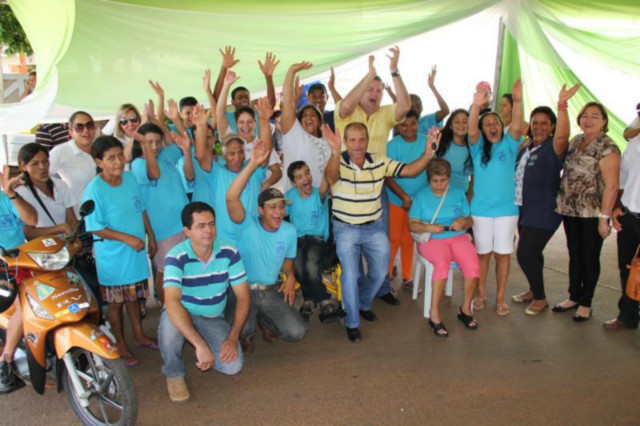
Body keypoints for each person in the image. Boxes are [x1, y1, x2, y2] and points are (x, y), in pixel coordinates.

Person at [323, 122, 440, 342]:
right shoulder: (336, 160)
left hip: (374, 227)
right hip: (345, 228)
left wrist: (427, 154)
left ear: (367, 141)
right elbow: (330, 178)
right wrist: (335, 151)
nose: (357, 145)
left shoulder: (379, 161)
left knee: (379, 273)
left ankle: (363, 303)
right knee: (350, 276)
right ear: (346, 142)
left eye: (361, 139)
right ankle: (352, 322)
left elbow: (409, 170)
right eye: (352, 140)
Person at [335, 48, 411, 305]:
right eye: (370, 89)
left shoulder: (385, 114)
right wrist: (369, 76)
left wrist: (394, 71)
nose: (375, 94)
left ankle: (382, 287)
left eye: (378, 91)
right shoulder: (346, 112)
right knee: (352, 244)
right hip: (346, 188)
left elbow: (405, 105)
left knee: (383, 239)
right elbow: (346, 104)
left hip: (377, 186)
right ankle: (356, 291)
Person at [159, 202, 250, 403]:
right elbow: (172, 301)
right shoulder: (176, 256)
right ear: (187, 231)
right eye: (201, 226)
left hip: (211, 315)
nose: (209, 230)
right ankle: (174, 373)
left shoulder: (228, 251)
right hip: (183, 310)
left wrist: (232, 337)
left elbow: (243, 296)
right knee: (169, 326)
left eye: (211, 224)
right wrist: (200, 345)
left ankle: (200, 340)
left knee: (233, 366)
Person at [82, 136, 159, 367]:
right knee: (115, 303)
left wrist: (150, 235)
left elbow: (141, 208)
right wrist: (127, 238)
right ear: (99, 161)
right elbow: (95, 226)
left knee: (134, 296)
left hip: (135, 252)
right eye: (110, 158)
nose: (117, 161)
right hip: (114, 257)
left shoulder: (129, 178)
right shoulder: (94, 189)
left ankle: (139, 335)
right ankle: (121, 345)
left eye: (119, 155)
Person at [226, 139, 306, 350]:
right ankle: (249, 328)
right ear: (260, 210)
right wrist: (252, 164)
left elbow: (288, 260)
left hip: (270, 291)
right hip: (243, 290)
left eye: (281, 207)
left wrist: (290, 276)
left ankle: (264, 320)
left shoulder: (289, 231)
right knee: (242, 329)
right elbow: (231, 197)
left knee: (297, 332)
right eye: (272, 208)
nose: (278, 212)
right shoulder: (246, 224)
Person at [511, 84, 580, 315]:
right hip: (523, 209)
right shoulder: (527, 146)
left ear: (551, 127)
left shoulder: (554, 146)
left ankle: (540, 299)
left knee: (525, 254)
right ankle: (533, 289)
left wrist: (562, 105)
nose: (538, 127)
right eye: (535, 122)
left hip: (544, 211)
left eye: (544, 123)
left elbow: (563, 134)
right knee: (535, 253)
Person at [553, 102, 621, 321]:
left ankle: (586, 302)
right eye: (585, 115)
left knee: (589, 257)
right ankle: (573, 295)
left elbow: (611, 186)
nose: (588, 120)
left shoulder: (608, 147)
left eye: (594, 116)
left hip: (593, 212)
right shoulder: (575, 142)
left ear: (603, 122)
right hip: (570, 209)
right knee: (574, 254)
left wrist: (604, 218)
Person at [467, 79, 523, 316]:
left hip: (506, 212)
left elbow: (518, 126)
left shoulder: (510, 145)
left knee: (503, 255)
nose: (492, 126)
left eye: (496, 123)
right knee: (483, 255)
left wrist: (518, 101)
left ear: (501, 127)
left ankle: (500, 298)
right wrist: (476, 107)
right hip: (480, 210)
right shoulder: (477, 147)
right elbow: (471, 129)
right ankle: (481, 295)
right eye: (487, 124)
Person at [408, 158, 479, 337]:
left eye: (443, 180)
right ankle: (434, 314)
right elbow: (412, 225)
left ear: (449, 178)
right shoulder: (421, 196)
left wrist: (462, 221)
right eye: (435, 181)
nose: (439, 185)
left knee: (473, 265)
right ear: (428, 179)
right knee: (442, 263)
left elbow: (469, 219)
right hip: (432, 239)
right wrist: (428, 228)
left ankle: (465, 309)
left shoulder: (457, 193)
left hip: (456, 236)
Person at [131, 123, 191, 305]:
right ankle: (168, 312)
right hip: (164, 230)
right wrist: (145, 146)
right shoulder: (138, 164)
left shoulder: (165, 155)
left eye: (157, 141)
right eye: (149, 142)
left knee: (186, 269)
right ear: (140, 144)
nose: (155, 146)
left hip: (184, 224)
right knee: (166, 272)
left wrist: (165, 113)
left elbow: (180, 144)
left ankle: (185, 308)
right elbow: (154, 174)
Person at [193, 101, 269, 243]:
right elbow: (201, 156)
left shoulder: (253, 168)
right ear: (223, 155)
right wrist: (201, 127)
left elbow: (265, 151)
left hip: (252, 238)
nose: (237, 158)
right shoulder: (217, 172)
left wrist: (264, 121)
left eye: (240, 152)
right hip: (225, 240)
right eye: (231, 153)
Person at [285, 161, 339, 321]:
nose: (306, 179)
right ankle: (311, 299)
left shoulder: (319, 194)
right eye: (300, 177)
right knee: (298, 266)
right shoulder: (290, 197)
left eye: (307, 173)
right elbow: (279, 215)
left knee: (311, 265)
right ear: (294, 183)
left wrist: (333, 153)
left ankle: (322, 299)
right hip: (298, 240)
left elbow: (326, 181)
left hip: (317, 240)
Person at [0, 165, 37, 394]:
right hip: (3, 268)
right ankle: (6, 361)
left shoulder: (6, 197)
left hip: (20, 262)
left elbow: (31, 220)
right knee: (28, 307)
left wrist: (11, 193)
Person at [216, 71, 282, 189]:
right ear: (236, 124)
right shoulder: (230, 140)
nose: (245, 126)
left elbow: (277, 171)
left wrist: (264, 185)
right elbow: (219, 114)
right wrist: (226, 85)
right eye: (241, 122)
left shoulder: (261, 142)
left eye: (249, 122)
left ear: (255, 123)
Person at [606, 103, 640, 330]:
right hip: (630, 216)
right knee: (627, 268)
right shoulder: (634, 143)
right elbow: (624, 178)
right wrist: (616, 207)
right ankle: (627, 316)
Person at [385, 109, 427, 290]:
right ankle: (385, 276)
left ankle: (407, 277)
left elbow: (432, 169)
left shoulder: (426, 142)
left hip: (418, 202)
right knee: (393, 238)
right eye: (404, 125)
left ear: (418, 123)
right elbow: (387, 176)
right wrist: (403, 196)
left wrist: (420, 199)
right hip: (396, 198)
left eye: (413, 124)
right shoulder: (392, 146)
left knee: (408, 239)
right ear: (398, 127)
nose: (409, 128)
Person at [280, 61, 331, 194]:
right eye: (304, 116)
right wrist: (291, 71)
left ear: (320, 122)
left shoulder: (328, 143)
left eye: (313, 115)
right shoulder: (295, 136)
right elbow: (287, 104)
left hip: (321, 201)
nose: (308, 118)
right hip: (297, 203)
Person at [49, 111, 97, 216]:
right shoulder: (61, 151)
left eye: (89, 125)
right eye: (79, 127)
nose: (86, 130)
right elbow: (39, 173)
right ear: (71, 132)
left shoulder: (101, 148)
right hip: (80, 216)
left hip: (106, 212)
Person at [436, 109, 473, 196]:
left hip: (462, 196)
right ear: (450, 126)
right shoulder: (439, 143)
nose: (461, 125)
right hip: (438, 196)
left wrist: (468, 199)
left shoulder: (474, 147)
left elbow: (474, 178)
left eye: (465, 121)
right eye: (457, 121)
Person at [411, 66, 450, 135]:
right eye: (412, 106)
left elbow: (445, 111)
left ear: (421, 107)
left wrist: (432, 87)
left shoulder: (427, 120)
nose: (415, 109)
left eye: (418, 106)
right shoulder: (400, 124)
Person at [305, 66, 342, 132]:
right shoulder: (303, 117)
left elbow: (342, 109)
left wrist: (332, 88)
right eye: (314, 96)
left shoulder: (332, 115)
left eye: (321, 96)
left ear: (327, 97)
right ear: (307, 97)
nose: (318, 99)